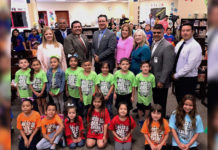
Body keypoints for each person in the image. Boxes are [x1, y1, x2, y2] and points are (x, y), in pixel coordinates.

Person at [172, 23, 202, 104]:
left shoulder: (195, 46)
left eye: (187, 30)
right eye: (183, 31)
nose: (185, 32)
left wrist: (176, 75)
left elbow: (190, 66)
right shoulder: (180, 44)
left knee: (187, 104)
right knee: (179, 100)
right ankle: (180, 116)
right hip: (179, 78)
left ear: (192, 32)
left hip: (188, 80)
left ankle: (187, 117)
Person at [150, 24, 175, 117]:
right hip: (154, 78)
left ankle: (162, 120)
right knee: (156, 100)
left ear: (163, 32)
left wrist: (162, 81)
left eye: (158, 33)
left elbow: (168, 66)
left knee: (161, 102)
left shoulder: (167, 46)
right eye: (154, 32)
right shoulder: (154, 43)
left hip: (161, 80)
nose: (156, 34)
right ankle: (157, 117)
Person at [135, 61, 155, 128]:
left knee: (147, 109)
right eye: (143, 67)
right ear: (141, 68)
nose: (145, 68)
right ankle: (140, 120)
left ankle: (146, 120)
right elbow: (136, 86)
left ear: (150, 68)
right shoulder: (138, 76)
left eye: (147, 67)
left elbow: (153, 86)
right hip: (140, 98)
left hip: (148, 98)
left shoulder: (152, 76)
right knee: (140, 109)